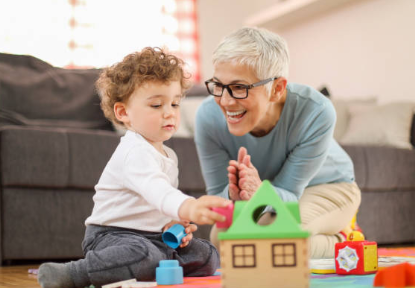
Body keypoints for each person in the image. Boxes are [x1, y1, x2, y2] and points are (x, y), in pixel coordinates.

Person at [37, 47, 231, 288]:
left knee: (208, 255)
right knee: (142, 254)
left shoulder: (168, 154)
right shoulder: (134, 151)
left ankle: (156, 261)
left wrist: (174, 224)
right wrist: (188, 206)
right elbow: (157, 190)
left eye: (174, 104)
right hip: (112, 236)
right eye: (157, 106)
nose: (169, 113)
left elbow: (159, 206)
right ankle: (74, 272)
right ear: (123, 112)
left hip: (154, 238)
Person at [194, 27, 362, 259]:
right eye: (218, 85)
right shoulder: (208, 116)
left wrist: (260, 192)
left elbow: (289, 193)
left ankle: (344, 238)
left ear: (277, 89)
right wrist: (234, 195)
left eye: (239, 87)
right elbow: (217, 199)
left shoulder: (316, 111)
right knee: (222, 242)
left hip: (327, 186)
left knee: (279, 242)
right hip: (265, 191)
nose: (224, 100)